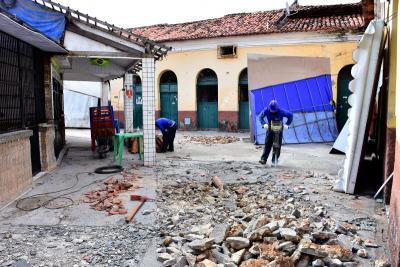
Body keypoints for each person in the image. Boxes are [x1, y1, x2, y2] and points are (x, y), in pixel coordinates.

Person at [259, 100, 293, 165]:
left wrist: (287, 124)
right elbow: (260, 117)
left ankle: (274, 161)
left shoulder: (281, 112)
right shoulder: (266, 110)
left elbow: (290, 115)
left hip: (279, 129)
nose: (273, 112)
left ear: (277, 108)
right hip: (270, 128)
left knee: (277, 145)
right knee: (267, 144)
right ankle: (263, 159)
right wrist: (264, 124)